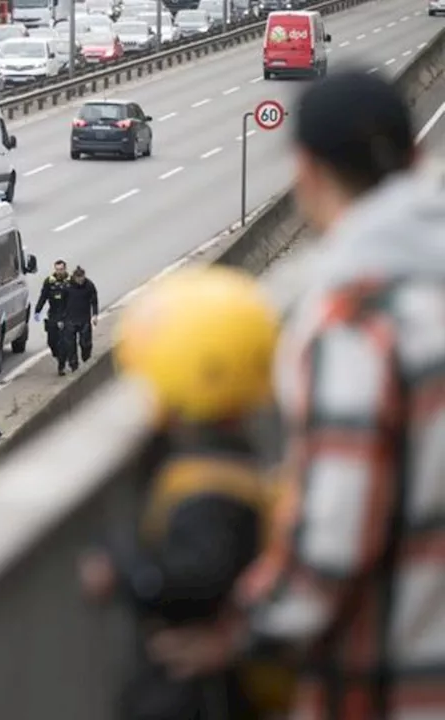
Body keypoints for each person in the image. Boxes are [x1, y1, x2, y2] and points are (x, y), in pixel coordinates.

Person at [147, 71, 443, 717]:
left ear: (306, 172)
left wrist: (242, 631)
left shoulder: (360, 326)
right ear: (417, 161)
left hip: (393, 690)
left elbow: (334, 537)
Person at [80, 265, 288, 720]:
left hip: (202, 689)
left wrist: (125, 568)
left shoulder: (208, 485)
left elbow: (195, 576)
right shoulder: (239, 461)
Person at [34, 260, 71, 374]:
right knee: (52, 341)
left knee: (64, 342)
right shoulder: (49, 282)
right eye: (57, 269)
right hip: (53, 314)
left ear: (65, 269)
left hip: (67, 315)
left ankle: (61, 365)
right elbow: (43, 296)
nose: (59, 272)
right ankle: (57, 355)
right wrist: (37, 310)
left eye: (61, 269)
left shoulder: (70, 282)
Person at [62, 266, 99, 372]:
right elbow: (62, 302)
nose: (80, 280)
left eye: (82, 277)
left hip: (84, 318)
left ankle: (86, 357)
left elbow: (94, 301)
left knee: (85, 342)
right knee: (70, 344)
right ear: (74, 277)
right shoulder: (67, 286)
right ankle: (74, 365)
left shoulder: (89, 285)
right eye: (78, 278)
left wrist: (95, 315)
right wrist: (62, 317)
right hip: (70, 318)